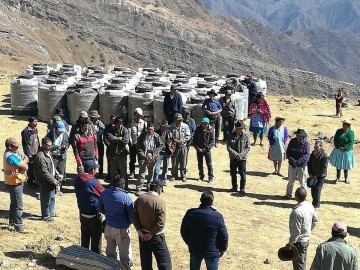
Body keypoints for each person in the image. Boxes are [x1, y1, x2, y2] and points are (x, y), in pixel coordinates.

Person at [181, 191, 228, 270]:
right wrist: (223, 248)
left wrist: (190, 243)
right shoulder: (217, 216)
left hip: (195, 249)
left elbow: (183, 231)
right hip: (212, 251)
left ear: (200, 200)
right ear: (212, 202)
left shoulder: (190, 213)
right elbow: (224, 236)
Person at [131, 180, 172, 270]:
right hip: (156, 237)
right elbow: (161, 223)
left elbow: (134, 217)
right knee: (164, 263)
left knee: (146, 263)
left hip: (143, 236)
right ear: (160, 190)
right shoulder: (159, 202)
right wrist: (151, 234)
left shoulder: (140, 199)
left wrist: (139, 231)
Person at [98, 176, 133, 266]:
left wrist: (108, 215)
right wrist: (128, 222)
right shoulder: (126, 197)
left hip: (109, 226)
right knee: (125, 255)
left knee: (110, 252)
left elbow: (99, 208)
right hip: (122, 228)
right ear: (123, 186)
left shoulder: (104, 193)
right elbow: (131, 215)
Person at [74, 159, 104, 254]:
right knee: (96, 239)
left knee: (85, 238)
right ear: (92, 170)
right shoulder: (94, 182)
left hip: (82, 213)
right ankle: (95, 258)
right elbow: (103, 194)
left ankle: (84, 259)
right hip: (93, 214)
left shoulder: (78, 179)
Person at [284, 187, 318, 270]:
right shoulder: (309, 205)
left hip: (298, 243)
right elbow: (315, 220)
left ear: (296, 197)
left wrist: (290, 244)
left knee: (299, 266)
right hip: (305, 240)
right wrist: (307, 231)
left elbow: (296, 232)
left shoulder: (297, 212)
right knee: (302, 263)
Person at [3, 138, 28, 232]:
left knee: (14, 203)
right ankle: (18, 225)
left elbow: (25, 159)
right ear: (10, 147)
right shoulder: (10, 157)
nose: (17, 149)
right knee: (18, 204)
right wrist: (24, 162)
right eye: (16, 147)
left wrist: (23, 161)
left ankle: (12, 221)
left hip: (14, 181)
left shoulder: (12, 154)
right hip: (14, 182)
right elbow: (25, 165)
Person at [33, 137, 61, 221]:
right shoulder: (41, 156)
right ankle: (45, 215)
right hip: (45, 181)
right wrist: (53, 180)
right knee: (45, 198)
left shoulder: (48, 153)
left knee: (52, 197)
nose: (49, 147)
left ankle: (51, 212)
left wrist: (56, 173)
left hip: (51, 179)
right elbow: (44, 172)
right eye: (48, 145)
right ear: (43, 145)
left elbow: (52, 164)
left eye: (50, 145)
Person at [135, 123, 163, 196]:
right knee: (142, 173)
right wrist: (143, 156)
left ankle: (148, 187)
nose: (150, 131)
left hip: (153, 158)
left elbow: (161, 145)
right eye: (149, 129)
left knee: (151, 172)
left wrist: (155, 153)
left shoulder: (156, 136)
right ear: (146, 129)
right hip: (143, 158)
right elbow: (138, 147)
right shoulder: (142, 136)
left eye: (152, 129)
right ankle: (138, 189)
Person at [285, 129, 310, 200]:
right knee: (290, 181)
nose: (298, 137)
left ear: (303, 137)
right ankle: (288, 195)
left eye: (299, 136)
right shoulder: (292, 141)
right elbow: (288, 152)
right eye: (297, 135)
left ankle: (303, 197)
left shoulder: (306, 144)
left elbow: (306, 155)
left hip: (302, 166)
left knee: (303, 182)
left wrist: (298, 162)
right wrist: (293, 161)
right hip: (292, 165)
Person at [104, 117, 130, 188]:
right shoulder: (110, 130)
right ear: (115, 124)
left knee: (123, 171)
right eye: (118, 124)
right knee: (112, 171)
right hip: (112, 153)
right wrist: (119, 139)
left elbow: (125, 140)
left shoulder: (125, 130)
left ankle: (125, 185)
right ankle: (112, 185)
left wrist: (115, 139)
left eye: (121, 124)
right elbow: (109, 137)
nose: (120, 125)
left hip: (122, 154)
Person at [226, 120, 250, 195]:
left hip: (242, 159)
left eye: (240, 128)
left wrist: (241, 155)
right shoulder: (230, 135)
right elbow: (229, 147)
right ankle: (234, 187)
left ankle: (242, 188)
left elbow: (247, 147)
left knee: (242, 174)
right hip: (233, 158)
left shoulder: (246, 136)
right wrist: (236, 155)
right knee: (233, 173)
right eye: (237, 128)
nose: (239, 130)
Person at [329, 120, 355, 184]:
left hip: (347, 152)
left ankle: (346, 178)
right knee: (338, 165)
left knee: (346, 165)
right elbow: (335, 140)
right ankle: (338, 178)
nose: (344, 127)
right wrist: (338, 147)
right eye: (343, 126)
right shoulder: (338, 131)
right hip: (338, 150)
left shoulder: (351, 133)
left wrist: (345, 148)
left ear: (348, 127)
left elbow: (351, 143)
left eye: (345, 126)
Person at [46, 121, 69, 189]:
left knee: (61, 172)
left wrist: (65, 147)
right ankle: (51, 187)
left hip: (62, 156)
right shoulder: (50, 135)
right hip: (53, 157)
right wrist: (56, 147)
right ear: (55, 129)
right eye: (59, 131)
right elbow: (46, 145)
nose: (61, 132)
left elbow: (67, 142)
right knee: (52, 172)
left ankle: (59, 188)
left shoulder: (65, 134)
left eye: (62, 131)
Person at [169, 113, 191, 182]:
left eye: (180, 120)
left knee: (183, 161)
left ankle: (183, 175)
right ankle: (174, 175)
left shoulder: (185, 126)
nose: (179, 121)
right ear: (175, 120)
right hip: (175, 147)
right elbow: (170, 136)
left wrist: (182, 141)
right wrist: (175, 141)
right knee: (174, 162)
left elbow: (188, 136)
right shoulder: (171, 127)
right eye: (178, 120)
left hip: (183, 146)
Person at [193, 117, 215, 183]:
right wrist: (197, 148)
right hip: (199, 149)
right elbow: (194, 140)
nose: (204, 125)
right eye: (203, 123)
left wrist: (206, 148)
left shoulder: (211, 130)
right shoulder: (198, 129)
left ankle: (210, 177)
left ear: (208, 124)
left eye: (205, 124)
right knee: (200, 164)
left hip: (207, 150)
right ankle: (201, 176)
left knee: (209, 164)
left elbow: (212, 141)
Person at [307, 141, 329, 208]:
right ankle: (314, 201)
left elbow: (324, 168)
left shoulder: (325, 156)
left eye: (317, 147)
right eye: (314, 147)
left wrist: (316, 175)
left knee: (317, 188)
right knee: (313, 188)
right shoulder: (312, 154)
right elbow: (309, 164)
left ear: (321, 147)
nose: (315, 149)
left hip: (321, 175)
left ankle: (316, 204)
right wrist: (310, 173)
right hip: (313, 174)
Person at [128, 108, 147, 179]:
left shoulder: (144, 123)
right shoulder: (130, 123)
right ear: (134, 114)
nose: (139, 117)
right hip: (133, 144)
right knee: (132, 159)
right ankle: (132, 172)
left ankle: (141, 173)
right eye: (138, 115)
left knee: (141, 159)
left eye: (140, 115)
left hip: (141, 145)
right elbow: (128, 133)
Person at [21, 117, 40, 187]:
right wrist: (28, 155)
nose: (36, 123)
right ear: (30, 122)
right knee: (30, 169)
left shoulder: (35, 129)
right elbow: (25, 144)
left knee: (36, 168)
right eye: (35, 122)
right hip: (30, 154)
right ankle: (30, 182)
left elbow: (37, 140)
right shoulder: (25, 132)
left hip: (36, 152)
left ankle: (35, 181)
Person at [89, 110, 106, 178]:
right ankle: (92, 173)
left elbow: (103, 129)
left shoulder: (99, 123)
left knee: (100, 159)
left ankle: (101, 173)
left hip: (99, 143)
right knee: (92, 158)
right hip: (91, 144)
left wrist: (99, 131)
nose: (96, 119)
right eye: (95, 118)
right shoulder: (89, 124)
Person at [104, 114, 116, 181]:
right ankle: (109, 175)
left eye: (114, 119)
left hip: (116, 148)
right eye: (112, 119)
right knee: (109, 162)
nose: (113, 120)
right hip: (109, 148)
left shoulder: (117, 126)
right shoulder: (107, 127)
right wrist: (109, 145)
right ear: (110, 119)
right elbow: (105, 137)